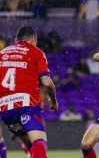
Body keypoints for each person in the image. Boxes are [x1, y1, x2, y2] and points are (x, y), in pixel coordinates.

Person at [0, 26, 59, 158]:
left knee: (31, 146)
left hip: (5, 108)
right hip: (27, 104)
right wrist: (53, 101)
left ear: (17, 40)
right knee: (39, 142)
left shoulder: (2, 53)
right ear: (34, 39)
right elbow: (47, 82)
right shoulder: (36, 52)